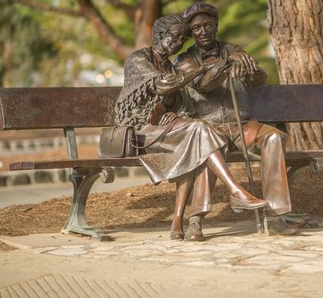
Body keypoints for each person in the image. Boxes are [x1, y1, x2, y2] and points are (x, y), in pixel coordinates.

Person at [114, 14, 267, 241]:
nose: (177, 44)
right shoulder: (139, 59)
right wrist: (204, 65)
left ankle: (177, 218)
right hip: (141, 130)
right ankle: (234, 190)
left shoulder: (169, 64)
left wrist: (174, 112)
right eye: (173, 38)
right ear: (160, 36)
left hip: (165, 128)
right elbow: (165, 85)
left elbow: (177, 100)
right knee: (200, 130)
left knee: (195, 144)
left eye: (181, 40)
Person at [175, 2, 299, 236]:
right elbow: (204, 84)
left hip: (243, 125)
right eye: (198, 27)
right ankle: (196, 218)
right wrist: (228, 62)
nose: (204, 31)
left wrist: (251, 70)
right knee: (207, 146)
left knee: (273, 137)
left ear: (216, 26)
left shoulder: (235, 49)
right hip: (209, 126)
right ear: (191, 33)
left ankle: (277, 213)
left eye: (208, 25)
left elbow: (258, 81)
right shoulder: (185, 60)